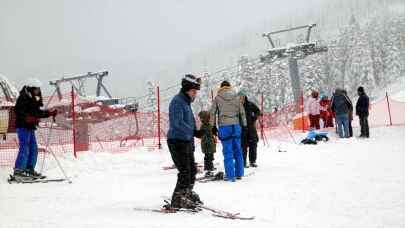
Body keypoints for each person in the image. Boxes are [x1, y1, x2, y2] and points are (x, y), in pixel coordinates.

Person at [167, 74, 205, 209]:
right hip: (176, 141)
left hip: (186, 141)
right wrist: (193, 132)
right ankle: (177, 200)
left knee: (192, 170)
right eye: (194, 91)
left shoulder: (186, 103)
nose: (195, 94)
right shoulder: (177, 102)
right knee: (184, 171)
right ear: (187, 90)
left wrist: (197, 133)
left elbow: (189, 122)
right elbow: (177, 123)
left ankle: (186, 193)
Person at [13, 78, 57, 181]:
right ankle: (18, 171)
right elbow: (18, 110)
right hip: (23, 126)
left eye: (38, 89)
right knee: (25, 148)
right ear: (31, 88)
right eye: (36, 89)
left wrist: (49, 113)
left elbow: (38, 113)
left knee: (34, 148)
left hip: (30, 127)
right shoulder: (23, 97)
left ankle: (29, 169)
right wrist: (26, 117)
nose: (38, 91)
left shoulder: (34, 99)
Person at [210, 81, 246, 182]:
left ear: (221, 87)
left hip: (224, 126)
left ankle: (230, 176)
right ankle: (239, 173)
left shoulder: (217, 98)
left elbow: (213, 113)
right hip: (236, 125)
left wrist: (213, 126)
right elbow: (242, 112)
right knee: (238, 150)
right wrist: (244, 125)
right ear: (229, 87)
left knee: (227, 151)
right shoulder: (236, 97)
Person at [238, 89, 261, 168]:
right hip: (242, 129)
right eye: (238, 97)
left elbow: (258, 111)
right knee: (243, 146)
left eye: (241, 97)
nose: (240, 98)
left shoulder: (250, 104)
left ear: (244, 97)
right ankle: (243, 162)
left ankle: (252, 161)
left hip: (251, 128)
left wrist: (254, 117)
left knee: (253, 144)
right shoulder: (237, 106)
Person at [198, 110, 216, 176]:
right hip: (207, 145)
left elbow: (212, 133)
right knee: (208, 157)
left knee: (210, 157)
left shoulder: (209, 124)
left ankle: (210, 167)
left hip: (210, 144)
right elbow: (203, 136)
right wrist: (207, 142)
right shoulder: (204, 126)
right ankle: (208, 169)